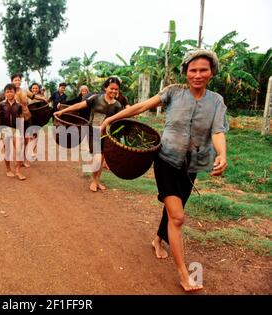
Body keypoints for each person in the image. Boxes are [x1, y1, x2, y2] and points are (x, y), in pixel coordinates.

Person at [100, 49, 228, 292]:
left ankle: (158, 239)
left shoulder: (216, 101)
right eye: (193, 70)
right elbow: (141, 107)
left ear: (212, 72)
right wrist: (110, 119)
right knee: (178, 217)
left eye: (203, 70)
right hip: (166, 160)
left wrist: (222, 154)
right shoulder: (173, 92)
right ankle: (183, 274)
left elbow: (218, 131)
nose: (198, 75)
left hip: (192, 165)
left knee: (173, 210)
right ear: (186, 71)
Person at [54, 77, 124, 192]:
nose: (114, 91)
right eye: (111, 88)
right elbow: (79, 105)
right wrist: (62, 111)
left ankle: (97, 181)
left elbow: (117, 121)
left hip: (106, 134)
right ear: (105, 88)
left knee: (101, 159)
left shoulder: (117, 105)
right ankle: (93, 180)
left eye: (116, 89)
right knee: (97, 157)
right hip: (93, 132)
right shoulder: (96, 98)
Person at [0, 83, 27, 180]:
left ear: (15, 92)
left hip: (16, 129)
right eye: (7, 92)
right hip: (5, 129)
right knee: (8, 150)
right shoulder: (2, 104)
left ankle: (18, 171)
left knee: (19, 150)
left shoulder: (18, 105)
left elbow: (20, 117)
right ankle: (8, 169)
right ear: (5, 93)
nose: (9, 93)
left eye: (11, 91)